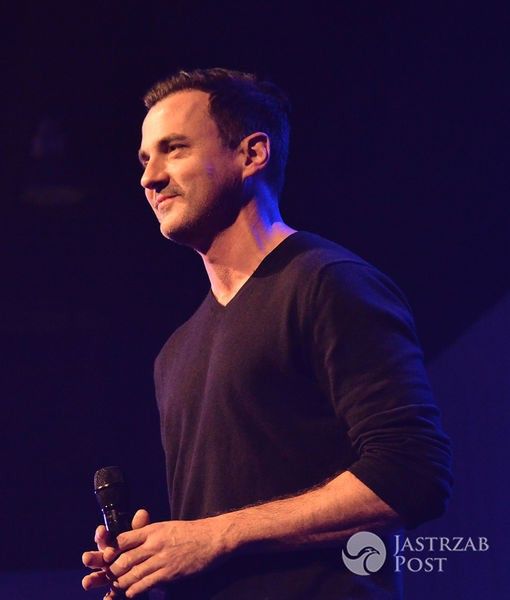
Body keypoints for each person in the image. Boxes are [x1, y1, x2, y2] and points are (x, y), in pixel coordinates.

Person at [82, 68, 452, 599]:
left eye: (174, 149)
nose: (150, 177)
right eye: (145, 159)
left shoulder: (327, 285)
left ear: (252, 155)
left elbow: (413, 474)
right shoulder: (174, 353)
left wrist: (215, 537)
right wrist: (154, 564)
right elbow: (215, 544)